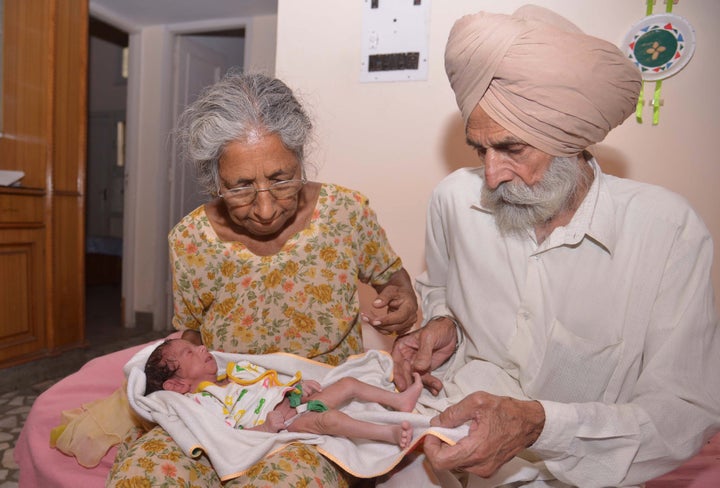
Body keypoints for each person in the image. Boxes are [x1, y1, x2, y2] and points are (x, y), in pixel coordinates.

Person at [390, 5, 720, 487]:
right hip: (442, 439)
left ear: (569, 139)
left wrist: (541, 426)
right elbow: (440, 286)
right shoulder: (452, 201)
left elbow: (686, 412)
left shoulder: (666, 230)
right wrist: (444, 322)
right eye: (480, 149)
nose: (492, 174)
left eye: (513, 149)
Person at [108, 72, 418, 487]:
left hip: (312, 408)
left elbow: (394, 281)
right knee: (141, 477)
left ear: (301, 159)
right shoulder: (189, 240)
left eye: (281, 179)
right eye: (240, 188)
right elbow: (192, 334)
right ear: (213, 181)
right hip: (222, 404)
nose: (266, 209)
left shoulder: (346, 212)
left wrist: (403, 300)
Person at [144, 338, 422, 448]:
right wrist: (266, 427)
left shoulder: (235, 374)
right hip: (286, 424)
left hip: (294, 403)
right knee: (328, 420)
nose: (202, 349)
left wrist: (297, 390)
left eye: (197, 345)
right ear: (176, 385)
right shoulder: (204, 402)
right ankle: (389, 434)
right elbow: (229, 436)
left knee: (348, 383)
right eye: (189, 353)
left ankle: (399, 400)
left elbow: (271, 383)